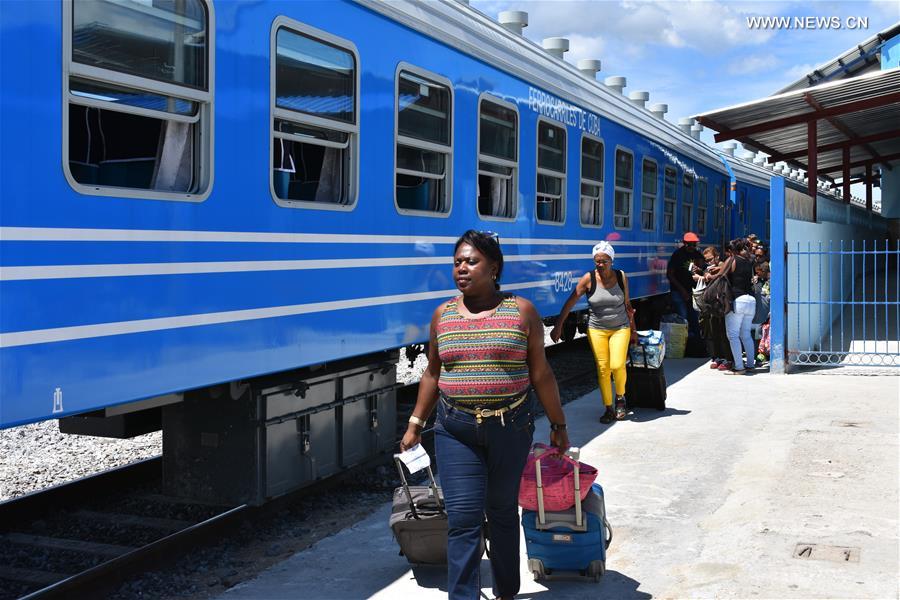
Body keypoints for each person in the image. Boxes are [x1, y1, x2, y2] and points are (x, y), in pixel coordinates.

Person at [400, 230, 569, 600]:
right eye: (457, 262)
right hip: (455, 429)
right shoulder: (442, 315)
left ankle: (507, 591)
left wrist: (559, 425)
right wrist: (416, 423)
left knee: (502, 511)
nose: (461, 268)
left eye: (471, 261)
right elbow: (432, 372)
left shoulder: (521, 311)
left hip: (511, 428)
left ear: (494, 267)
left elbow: (540, 373)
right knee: (462, 520)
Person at [551, 241, 636, 423]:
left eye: (604, 261)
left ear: (611, 260)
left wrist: (634, 330)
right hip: (597, 328)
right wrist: (558, 326)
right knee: (603, 368)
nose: (600, 264)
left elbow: (628, 305)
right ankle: (608, 408)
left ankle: (620, 399)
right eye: (597, 261)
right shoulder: (588, 279)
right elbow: (570, 302)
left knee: (617, 364)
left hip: (620, 327)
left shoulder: (621, 277)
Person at [711, 238, 757, 374]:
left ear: (732, 250)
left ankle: (738, 367)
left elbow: (721, 275)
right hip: (750, 300)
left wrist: (707, 276)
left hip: (738, 301)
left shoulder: (732, 260)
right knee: (746, 335)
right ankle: (750, 364)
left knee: (733, 335)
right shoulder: (749, 261)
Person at [695, 246, 733, 370]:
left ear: (717, 257)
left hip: (721, 303)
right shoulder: (709, 268)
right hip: (711, 304)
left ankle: (728, 358)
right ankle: (717, 357)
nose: (709, 262)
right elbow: (707, 275)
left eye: (710, 259)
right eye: (706, 260)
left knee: (723, 331)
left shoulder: (723, 265)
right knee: (714, 331)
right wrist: (703, 273)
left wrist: (705, 276)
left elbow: (721, 274)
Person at [667, 232, 705, 340]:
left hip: (692, 291)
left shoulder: (697, 254)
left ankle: (694, 341)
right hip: (678, 291)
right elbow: (670, 274)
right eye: (690, 244)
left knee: (694, 317)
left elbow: (702, 270)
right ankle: (682, 341)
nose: (692, 247)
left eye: (694, 244)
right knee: (683, 317)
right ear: (684, 243)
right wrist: (682, 290)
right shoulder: (677, 255)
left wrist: (699, 269)